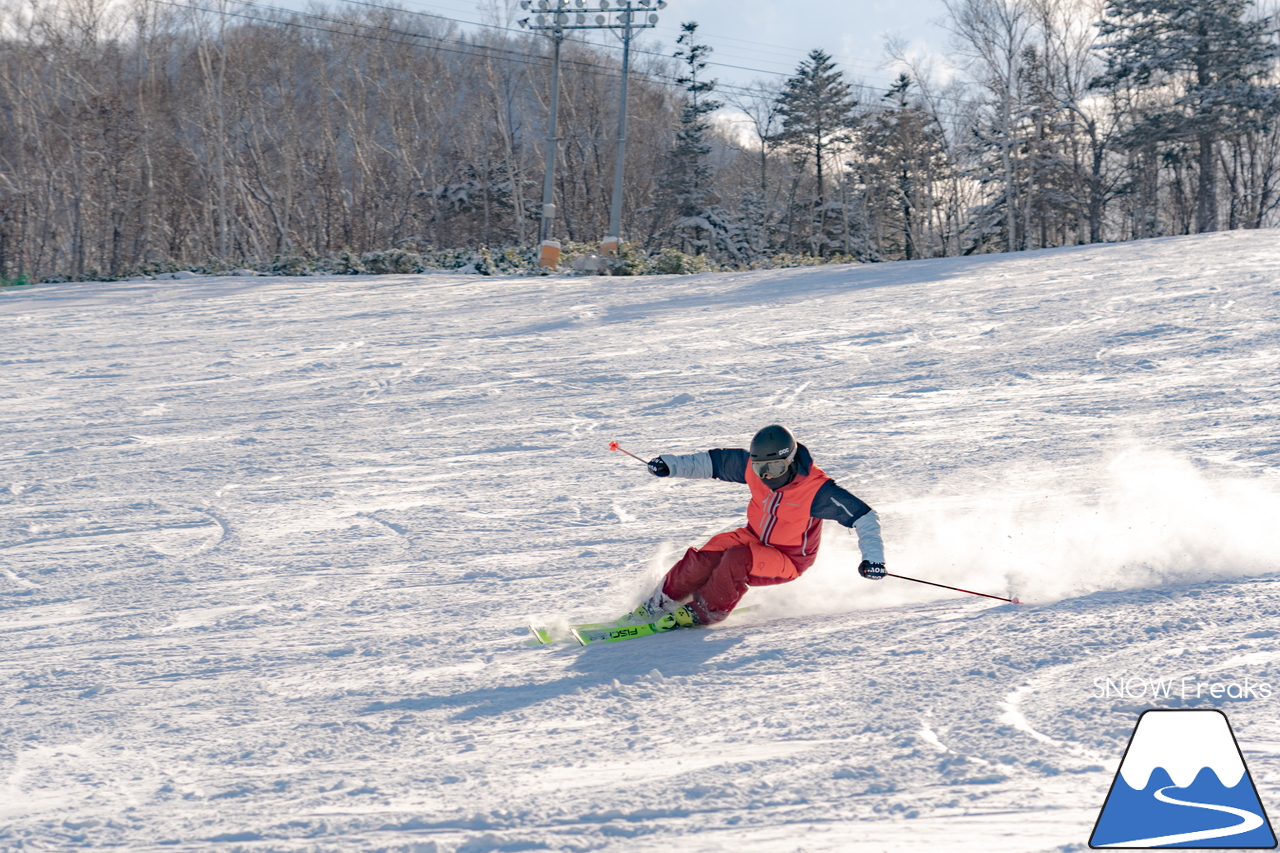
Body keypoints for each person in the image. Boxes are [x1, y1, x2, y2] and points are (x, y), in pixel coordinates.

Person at [628, 424, 886, 629]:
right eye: (760, 467)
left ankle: (706, 610)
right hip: (753, 536)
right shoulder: (751, 468)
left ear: (791, 461)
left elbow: (864, 517)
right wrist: (670, 465)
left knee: (736, 559)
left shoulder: (816, 491)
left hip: (789, 558)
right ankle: (660, 602)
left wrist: (873, 560)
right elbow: (710, 463)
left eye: (775, 467)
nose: (767, 476)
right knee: (709, 553)